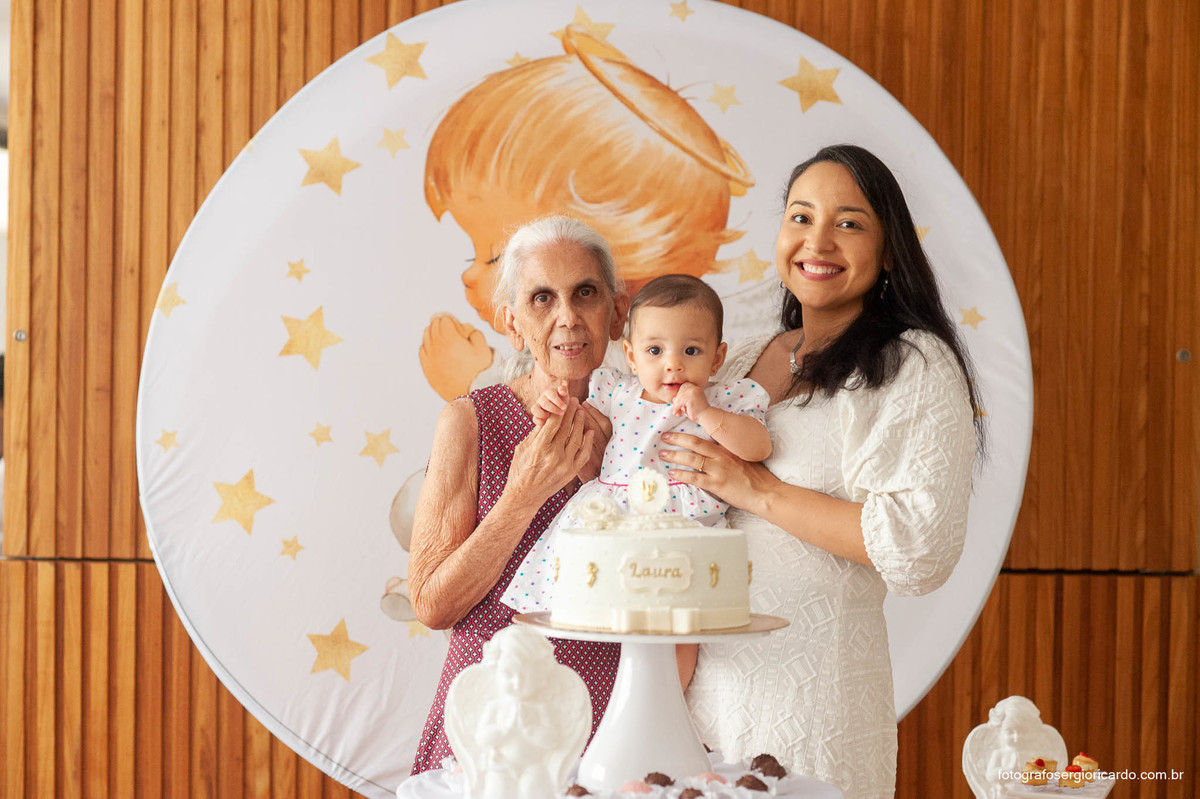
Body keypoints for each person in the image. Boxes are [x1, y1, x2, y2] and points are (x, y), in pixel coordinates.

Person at [662, 144, 983, 798]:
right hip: (693, 704)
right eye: (801, 217)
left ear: (891, 250)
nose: (819, 240)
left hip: (810, 709)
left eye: (849, 223)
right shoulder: (742, 356)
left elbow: (920, 549)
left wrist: (757, 488)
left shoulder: (911, 365)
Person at [418, 25, 753, 401]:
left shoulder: (628, 373)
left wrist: (470, 379)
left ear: (616, 298)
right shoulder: (524, 367)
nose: (470, 274)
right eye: (543, 296)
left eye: (495, 256)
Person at [407, 215, 630, 774]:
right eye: (541, 298)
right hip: (493, 722)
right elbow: (432, 604)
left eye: (586, 293)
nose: (568, 318)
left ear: (617, 311)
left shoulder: (645, 424)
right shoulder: (470, 420)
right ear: (511, 322)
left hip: (616, 719)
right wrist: (522, 496)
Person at [501, 274, 771, 614]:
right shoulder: (617, 392)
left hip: (683, 522)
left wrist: (705, 414)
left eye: (691, 350)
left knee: (683, 620)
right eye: (655, 351)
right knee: (595, 605)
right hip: (617, 518)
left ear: (716, 358)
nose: (673, 364)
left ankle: (677, 670)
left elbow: (758, 447)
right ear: (631, 355)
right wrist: (550, 412)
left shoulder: (723, 399)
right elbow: (576, 427)